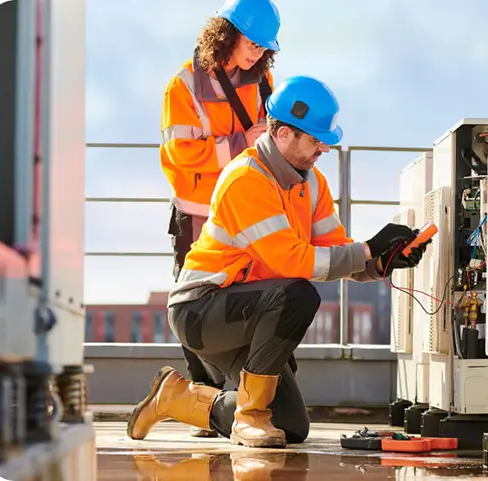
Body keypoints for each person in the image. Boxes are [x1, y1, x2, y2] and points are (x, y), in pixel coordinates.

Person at [128, 75, 428, 448]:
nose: (324, 149)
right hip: (202, 310)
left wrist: (382, 262)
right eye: (316, 140)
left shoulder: (312, 182)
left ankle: (177, 398)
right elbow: (293, 261)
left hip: (250, 312)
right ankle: (249, 418)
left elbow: (335, 248)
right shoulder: (245, 179)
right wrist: (367, 249)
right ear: (284, 133)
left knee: (289, 426)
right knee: (299, 295)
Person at [158, 0, 281, 437]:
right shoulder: (184, 85)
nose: (257, 53)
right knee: (195, 303)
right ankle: (200, 398)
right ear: (227, 34)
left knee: (244, 295)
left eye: (264, 47)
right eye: (252, 43)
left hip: (244, 209)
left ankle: (233, 399)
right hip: (199, 213)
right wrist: (240, 142)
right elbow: (181, 155)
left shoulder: (262, 79)